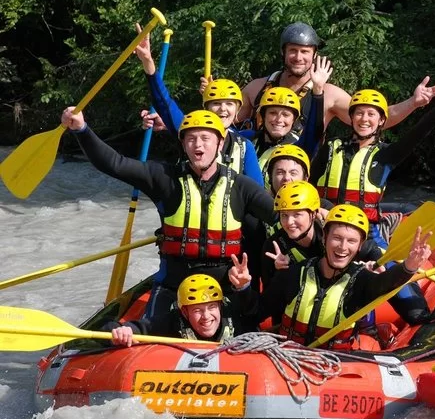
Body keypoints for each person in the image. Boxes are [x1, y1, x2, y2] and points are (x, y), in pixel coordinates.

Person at [61, 107, 278, 319]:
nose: (198, 145)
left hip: (225, 286)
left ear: (220, 144)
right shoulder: (164, 178)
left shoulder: (242, 186)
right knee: (150, 329)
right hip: (173, 285)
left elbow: (282, 217)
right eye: (191, 139)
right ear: (183, 144)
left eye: (205, 138)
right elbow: (114, 164)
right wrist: (82, 129)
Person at [310, 70, 435, 324]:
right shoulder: (330, 149)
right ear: (350, 117)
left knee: (408, 298)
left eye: (371, 114)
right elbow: (308, 186)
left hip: (367, 236)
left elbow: (419, 132)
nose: (364, 119)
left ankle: (423, 323)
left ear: (381, 121)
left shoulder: (386, 155)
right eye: (359, 113)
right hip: (325, 232)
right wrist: (323, 206)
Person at [253, 204, 432, 350]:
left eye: (351, 241)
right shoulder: (294, 274)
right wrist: (243, 288)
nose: (343, 247)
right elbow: (257, 311)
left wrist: (409, 266)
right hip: (288, 357)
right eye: (337, 238)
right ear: (324, 238)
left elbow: (385, 283)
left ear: (360, 246)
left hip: (336, 364)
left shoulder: (361, 280)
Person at [227, 21, 435, 129]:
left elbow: (375, 119)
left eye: (305, 52)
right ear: (283, 53)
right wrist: (214, 98)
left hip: (304, 180)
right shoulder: (256, 88)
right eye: (293, 50)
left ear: (314, 55)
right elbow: (227, 121)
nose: (298, 57)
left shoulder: (329, 95)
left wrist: (413, 103)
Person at [133, 26, 264, 186]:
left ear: (237, 109)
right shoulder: (189, 129)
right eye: (216, 103)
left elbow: (258, 192)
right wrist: (148, 61)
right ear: (206, 108)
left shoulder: (245, 146)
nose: (223, 109)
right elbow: (163, 102)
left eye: (229, 104)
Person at [261, 181, 381, 287]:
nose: (289, 222)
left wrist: (375, 264)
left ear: (313, 214)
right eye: (284, 215)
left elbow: (371, 249)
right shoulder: (274, 245)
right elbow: (270, 294)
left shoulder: (329, 235)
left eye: (297, 214)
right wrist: (280, 272)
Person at [107, 271, 252, 345]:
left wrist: (244, 287)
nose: (206, 316)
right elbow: (109, 329)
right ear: (184, 312)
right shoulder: (172, 321)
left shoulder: (233, 314)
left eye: (212, 307)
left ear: (220, 306)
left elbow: (257, 311)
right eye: (197, 310)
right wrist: (121, 331)